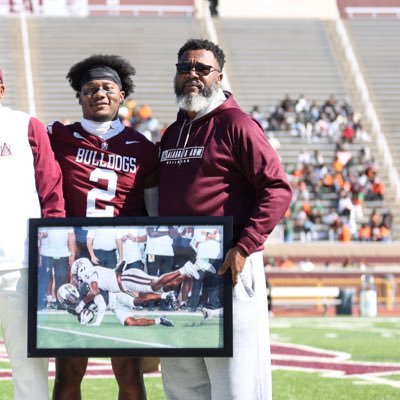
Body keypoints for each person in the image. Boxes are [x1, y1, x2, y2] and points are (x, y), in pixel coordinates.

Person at [158, 39, 292, 400]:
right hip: (180, 267)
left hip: (228, 263)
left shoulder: (237, 124)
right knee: (182, 381)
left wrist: (245, 246)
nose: (192, 75)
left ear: (219, 75)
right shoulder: (171, 133)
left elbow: (277, 189)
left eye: (202, 68)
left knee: (235, 383)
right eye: (185, 67)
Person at [47, 54, 159, 400]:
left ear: (122, 94)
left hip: (120, 262)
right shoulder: (57, 137)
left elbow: (154, 212)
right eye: (90, 88)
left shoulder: (142, 147)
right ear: (79, 96)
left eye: (108, 87)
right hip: (78, 259)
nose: (99, 94)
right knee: (69, 369)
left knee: (129, 369)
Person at [0, 67, 65, 399]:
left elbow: (51, 193)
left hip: (19, 266)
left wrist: (50, 259)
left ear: (1, 87)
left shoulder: (24, 125)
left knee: (29, 373)